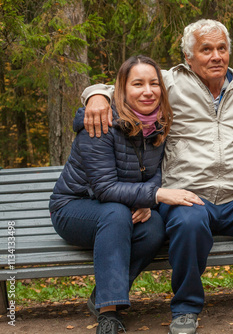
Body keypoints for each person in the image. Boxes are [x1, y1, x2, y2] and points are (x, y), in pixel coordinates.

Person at [80, 20, 233, 334]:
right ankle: (186, 308)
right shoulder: (170, 81)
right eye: (206, 49)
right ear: (189, 56)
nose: (216, 56)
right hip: (188, 192)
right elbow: (125, 84)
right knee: (188, 223)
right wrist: (95, 97)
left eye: (222, 48)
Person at [50, 55, 205, 334]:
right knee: (116, 213)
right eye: (138, 84)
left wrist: (146, 201)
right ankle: (109, 314)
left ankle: (102, 295)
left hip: (119, 207)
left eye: (154, 84)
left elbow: (154, 172)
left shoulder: (156, 126)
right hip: (74, 208)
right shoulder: (100, 124)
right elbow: (104, 188)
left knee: (155, 226)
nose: (148, 91)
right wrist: (156, 196)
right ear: (121, 89)